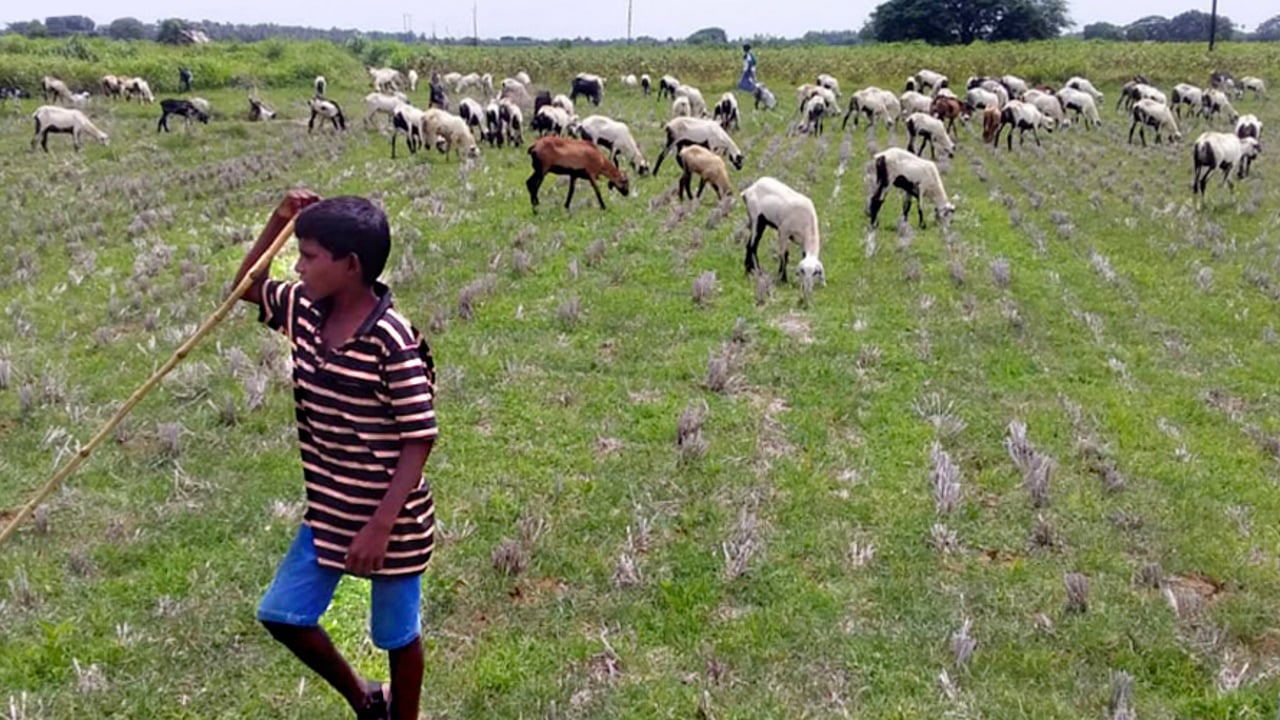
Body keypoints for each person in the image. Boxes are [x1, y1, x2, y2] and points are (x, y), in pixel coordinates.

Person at [233, 190, 439, 720]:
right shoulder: (302, 309)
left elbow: (419, 437)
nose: (297, 267)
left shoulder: (391, 340)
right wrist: (279, 220)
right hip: (329, 511)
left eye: (308, 256)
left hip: (391, 520)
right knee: (282, 614)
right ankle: (366, 699)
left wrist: (380, 527)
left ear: (350, 265)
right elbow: (246, 287)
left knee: (396, 635)